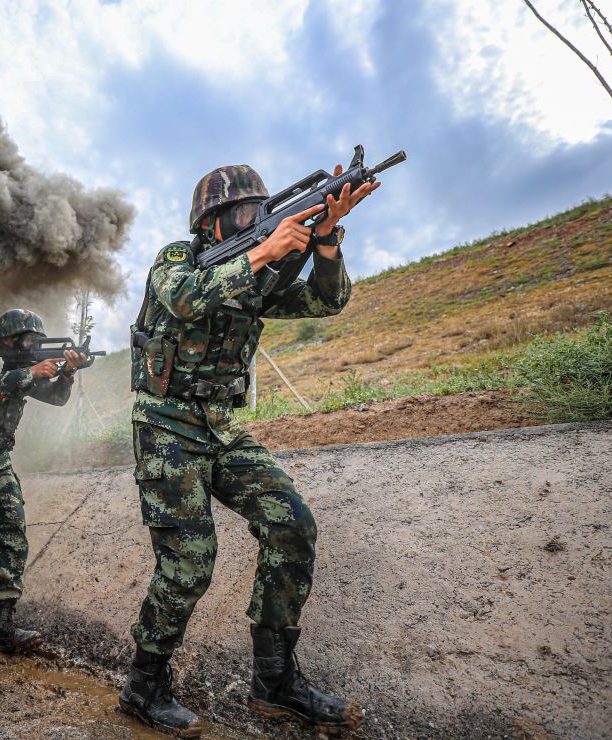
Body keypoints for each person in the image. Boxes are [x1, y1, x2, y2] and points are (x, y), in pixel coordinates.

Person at [119, 163, 378, 736]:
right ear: (211, 223)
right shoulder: (175, 260)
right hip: (165, 424)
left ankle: (276, 682)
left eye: (260, 214)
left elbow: (325, 301)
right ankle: (143, 686)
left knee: (292, 524)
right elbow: (185, 300)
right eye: (242, 215)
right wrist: (263, 251)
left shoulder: (259, 275)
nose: (254, 222)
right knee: (189, 563)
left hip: (219, 424)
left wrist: (327, 237)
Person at [0, 309, 85, 652]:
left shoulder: (25, 370)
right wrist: (29, 371)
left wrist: (67, 373)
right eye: (26, 340)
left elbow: (56, 398)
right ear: (7, 340)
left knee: (12, 534)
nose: (32, 346)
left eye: (36, 341)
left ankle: (3, 628)